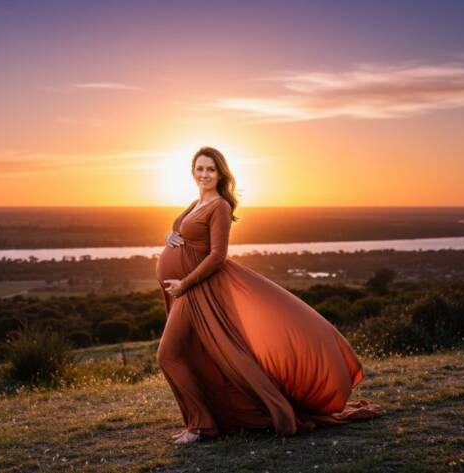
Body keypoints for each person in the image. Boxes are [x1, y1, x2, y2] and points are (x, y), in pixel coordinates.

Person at [155, 146, 385, 445]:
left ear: (220, 172)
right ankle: (206, 422)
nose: (204, 174)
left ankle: (201, 427)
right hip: (186, 290)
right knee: (198, 356)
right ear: (192, 171)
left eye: (210, 169)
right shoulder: (196, 203)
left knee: (168, 355)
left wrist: (184, 284)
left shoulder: (220, 207)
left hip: (197, 292)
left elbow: (218, 256)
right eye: (199, 168)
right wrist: (170, 236)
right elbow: (183, 235)